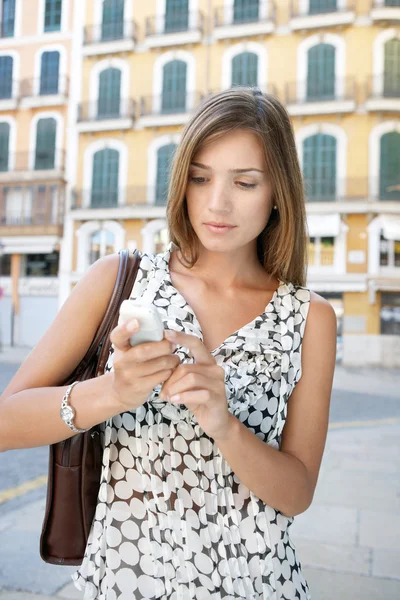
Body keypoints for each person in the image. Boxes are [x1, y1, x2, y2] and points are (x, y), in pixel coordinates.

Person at [0, 87, 337, 599]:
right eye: (200, 178)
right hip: (125, 585)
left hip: (261, 585)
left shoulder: (310, 318)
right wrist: (113, 392)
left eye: (245, 182)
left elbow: (296, 495)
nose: (217, 203)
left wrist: (223, 423)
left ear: (278, 193)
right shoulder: (118, 281)